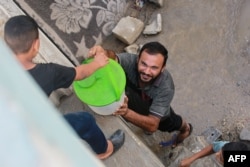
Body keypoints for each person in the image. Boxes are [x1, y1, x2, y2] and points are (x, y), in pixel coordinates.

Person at [4, 15, 125, 160]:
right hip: (33, 134)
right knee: (85, 121)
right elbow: (81, 73)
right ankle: (104, 150)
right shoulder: (48, 73)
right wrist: (98, 62)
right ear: (36, 45)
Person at [89, 42, 192, 148]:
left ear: (162, 68)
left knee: (172, 123)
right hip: (136, 100)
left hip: (160, 115)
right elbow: (112, 59)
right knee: (142, 120)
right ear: (138, 59)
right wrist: (104, 53)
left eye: (154, 68)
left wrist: (126, 112)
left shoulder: (166, 88)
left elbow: (153, 125)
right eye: (144, 64)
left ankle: (186, 129)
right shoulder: (131, 61)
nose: (147, 72)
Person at [179, 141, 249, 167]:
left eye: (221, 158)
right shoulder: (226, 146)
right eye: (220, 151)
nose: (216, 154)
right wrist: (190, 159)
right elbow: (212, 147)